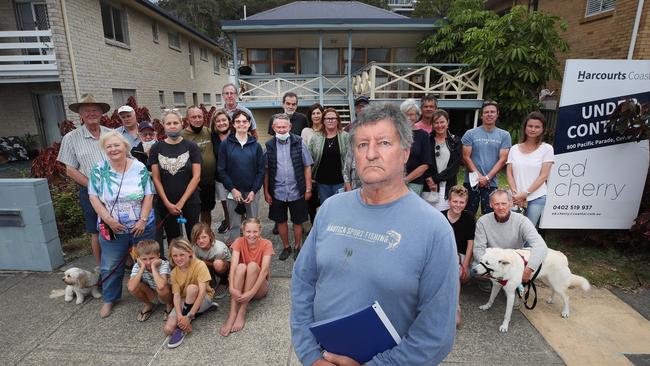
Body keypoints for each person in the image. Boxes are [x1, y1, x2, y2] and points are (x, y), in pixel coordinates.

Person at [292, 103, 458, 366]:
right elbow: (302, 283)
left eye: (383, 143)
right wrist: (311, 356)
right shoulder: (330, 210)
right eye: (361, 145)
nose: (370, 154)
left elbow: (435, 332)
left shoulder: (434, 230)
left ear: (405, 152)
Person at [88, 131, 155, 318]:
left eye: (117, 145)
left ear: (125, 147)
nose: (113, 149)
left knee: (146, 261)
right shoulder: (98, 169)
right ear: (104, 150)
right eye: (109, 146)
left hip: (141, 226)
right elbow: (93, 197)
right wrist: (109, 220)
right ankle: (110, 299)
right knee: (110, 265)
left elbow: (149, 194)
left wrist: (142, 220)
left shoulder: (139, 167)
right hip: (112, 228)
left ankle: (152, 295)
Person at [57, 93, 111, 267]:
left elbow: (127, 160)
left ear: (101, 113)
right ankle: (103, 269)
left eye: (95, 110)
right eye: (86, 110)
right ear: (80, 114)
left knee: (121, 225)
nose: (91, 113)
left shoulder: (111, 134)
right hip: (90, 192)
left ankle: (125, 263)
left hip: (118, 190)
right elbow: (70, 170)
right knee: (96, 231)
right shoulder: (71, 138)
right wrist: (95, 187)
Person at [149, 109, 202, 255]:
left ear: (182, 124)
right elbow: (156, 178)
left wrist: (182, 202)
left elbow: (196, 176)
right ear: (163, 125)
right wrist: (167, 203)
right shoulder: (156, 148)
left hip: (190, 200)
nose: (172, 126)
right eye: (169, 123)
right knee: (173, 239)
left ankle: (196, 267)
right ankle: (177, 268)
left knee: (194, 236)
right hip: (167, 203)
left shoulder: (191, 147)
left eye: (175, 123)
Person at [473, 189, 549, 289]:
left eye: (504, 203)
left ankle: (512, 284)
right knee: (473, 270)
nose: (500, 208)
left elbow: (540, 245)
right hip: (492, 261)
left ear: (511, 203)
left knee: (526, 268)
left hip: (512, 263)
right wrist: (488, 267)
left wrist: (530, 268)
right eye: (496, 204)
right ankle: (491, 281)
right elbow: (478, 248)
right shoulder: (483, 221)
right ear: (491, 204)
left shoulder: (522, 221)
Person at [263, 114, 313, 261]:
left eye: (284, 126)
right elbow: (266, 171)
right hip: (277, 192)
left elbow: (307, 166)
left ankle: (298, 247)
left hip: (297, 191)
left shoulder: (299, 143)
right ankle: (286, 247)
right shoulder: (268, 146)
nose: (282, 129)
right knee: (281, 221)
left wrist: (308, 188)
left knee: (298, 221)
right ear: (273, 128)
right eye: (278, 127)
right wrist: (266, 192)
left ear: (290, 127)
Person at [217, 110, 265, 245]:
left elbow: (261, 171)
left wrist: (253, 191)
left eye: (245, 121)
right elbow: (221, 170)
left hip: (251, 192)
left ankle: (253, 249)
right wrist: (232, 189)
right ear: (233, 124)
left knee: (252, 224)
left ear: (249, 124)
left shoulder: (255, 145)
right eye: (238, 121)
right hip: (233, 192)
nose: (241, 124)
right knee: (234, 224)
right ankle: (235, 251)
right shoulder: (226, 144)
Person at [220, 218, 274, 337]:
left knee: (253, 266)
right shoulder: (239, 241)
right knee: (240, 267)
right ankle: (233, 312)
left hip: (258, 287)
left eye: (255, 232)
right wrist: (231, 287)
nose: (251, 235)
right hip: (241, 287)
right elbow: (233, 266)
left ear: (260, 231)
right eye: (248, 232)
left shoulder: (267, 244)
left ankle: (242, 310)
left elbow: (264, 270)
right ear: (243, 231)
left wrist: (251, 293)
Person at [164, 238, 216, 349]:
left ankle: (182, 328)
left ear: (190, 253)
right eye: (175, 256)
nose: (178, 259)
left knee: (192, 288)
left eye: (182, 255)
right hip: (185, 300)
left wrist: (188, 317)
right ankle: (191, 318)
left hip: (204, 298)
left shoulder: (200, 265)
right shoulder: (174, 273)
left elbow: (202, 293)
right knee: (168, 329)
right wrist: (179, 316)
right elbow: (177, 296)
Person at [461, 100, 511, 215]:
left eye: (492, 112)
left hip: (491, 183)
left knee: (491, 215)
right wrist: (479, 176)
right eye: (486, 112)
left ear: (497, 114)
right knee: (467, 214)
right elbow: (466, 157)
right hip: (471, 182)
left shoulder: (504, 135)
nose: (489, 114)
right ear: (481, 115)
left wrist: (487, 178)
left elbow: (503, 159)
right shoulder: (470, 133)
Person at [506, 111, 554, 228]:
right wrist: (516, 194)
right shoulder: (514, 149)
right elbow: (509, 172)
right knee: (513, 229)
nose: (533, 129)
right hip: (515, 197)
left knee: (529, 231)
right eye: (530, 126)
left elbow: (543, 176)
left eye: (537, 127)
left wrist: (526, 194)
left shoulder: (547, 149)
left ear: (542, 129)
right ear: (525, 127)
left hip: (537, 196)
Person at [440, 185, 475, 327]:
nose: (458, 205)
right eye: (455, 201)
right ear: (449, 201)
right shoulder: (440, 216)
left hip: (459, 256)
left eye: (462, 202)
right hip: (442, 254)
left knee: (455, 269)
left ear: (465, 203)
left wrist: (465, 266)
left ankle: (455, 307)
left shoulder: (468, 218)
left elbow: (470, 244)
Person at [181, 106, 216, 225]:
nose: (197, 119)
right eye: (193, 117)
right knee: (193, 212)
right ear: (187, 119)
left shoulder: (208, 132)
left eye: (200, 116)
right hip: (191, 183)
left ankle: (206, 236)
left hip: (208, 181)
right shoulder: (182, 136)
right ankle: (194, 237)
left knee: (207, 211)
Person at [308, 108, 349, 204]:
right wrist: (309, 178)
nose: (330, 120)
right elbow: (309, 160)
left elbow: (350, 160)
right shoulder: (315, 138)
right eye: (327, 118)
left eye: (333, 118)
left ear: (338, 120)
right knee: (325, 208)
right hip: (322, 183)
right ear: (323, 121)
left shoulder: (346, 137)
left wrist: (348, 181)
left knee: (340, 208)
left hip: (340, 182)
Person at [127, 239, 173, 322]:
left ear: (158, 255)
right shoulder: (138, 266)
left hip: (166, 292)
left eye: (152, 258)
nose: (148, 262)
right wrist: (142, 268)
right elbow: (131, 287)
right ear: (139, 258)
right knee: (135, 286)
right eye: (144, 259)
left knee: (161, 288)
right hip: (152, 292)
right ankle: (149, 304)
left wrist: (153, 267)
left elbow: (161, 285)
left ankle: (169, 304)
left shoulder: (163, 264)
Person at [425, 109, 462, 211]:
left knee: (445, 217)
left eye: (442, 122)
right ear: (432, 124)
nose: (439, 125)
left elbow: (454, 166)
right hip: (429, 187)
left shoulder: (455, 141)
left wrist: (435, 179)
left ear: (447, 123)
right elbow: (424, 162)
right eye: (436, 122)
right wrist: (430, 180)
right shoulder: (427, 140)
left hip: (447, 187)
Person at [191, 222, 231, 299]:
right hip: (206, 264)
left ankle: (224, 282)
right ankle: (210, 280)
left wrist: (201, 262)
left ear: (210, 236)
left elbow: (217, 264)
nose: (201, 241)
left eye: (204, 237)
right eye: (198, 238)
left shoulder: (218, 249)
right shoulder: (195, 247)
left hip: (224, 266)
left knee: (217, 264)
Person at [401, 99, 432, 195]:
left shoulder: (423, 135)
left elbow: (425, 164)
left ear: (417, 116)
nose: (409, 117)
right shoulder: (396, 133)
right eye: (406, 114)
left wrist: (406, 180)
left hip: (414, 183)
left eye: (412, 114)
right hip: (394, 181)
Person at [210, 110, 233, 234]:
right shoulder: (212, 137)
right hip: (220, 179)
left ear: (229, 121)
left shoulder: (236, 134)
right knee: (227, 209)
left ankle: (244, 237)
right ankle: (232, 235)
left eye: (224, 120)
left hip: (237, 178)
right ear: (214, 123)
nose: (221, 123)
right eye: (218, 121)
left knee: (241, 209)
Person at [302, 103, 324, 223]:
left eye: (318, 113)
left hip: (324, 171)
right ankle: (313, 225)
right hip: (310, 171)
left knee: (324, 202)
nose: (316, 116)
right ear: (310, 116)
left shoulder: (327, 131)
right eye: (313, 113)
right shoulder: (306, 131)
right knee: (311, 202)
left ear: (322, 114)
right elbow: (304, 153)